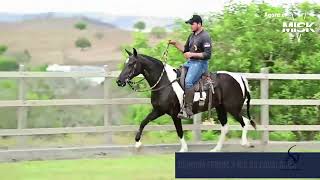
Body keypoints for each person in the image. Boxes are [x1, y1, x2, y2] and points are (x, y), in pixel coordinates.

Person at [169, 14, 212, 118]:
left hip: (200, 63)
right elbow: (186, 50)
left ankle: (188, 109)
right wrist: (175, 44)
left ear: (199, 24)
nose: (191, 26)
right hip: (190, 62)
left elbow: (207, 54)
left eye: (192, 24)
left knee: (188, 82)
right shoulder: (192, 36)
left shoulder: (205, 36)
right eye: (190, 24)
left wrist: (192, 55)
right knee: (178, 76)